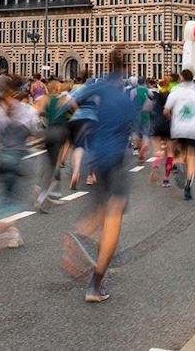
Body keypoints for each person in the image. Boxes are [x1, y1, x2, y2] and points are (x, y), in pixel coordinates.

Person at [60, 49, 139, 303]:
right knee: (114, 217)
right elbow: (138, 133)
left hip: (96, 158)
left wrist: (81, 121)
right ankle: (95, 284)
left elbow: (68, 101)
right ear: (126, 68)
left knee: (103, 211)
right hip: (117, 158)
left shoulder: (97, 87)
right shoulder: (127, 97)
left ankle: (79, 233)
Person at [0, 76, 37, 260]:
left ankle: (14, 234)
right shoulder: (27, 110)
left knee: (5, 198)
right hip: (16, 160)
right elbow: (35, 131)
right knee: (10, 203)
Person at [163, 69, 195, 200]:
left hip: (178, 129)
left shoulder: (175, 92)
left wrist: (173, 118)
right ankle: (188, 185)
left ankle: (178, 163)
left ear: (181, 78)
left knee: (180, 153)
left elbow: (165, 111)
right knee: (192, 158)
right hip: (193, 129)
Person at [33, 78, 73, 211]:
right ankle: (43, 196)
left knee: (47, 161)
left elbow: (36, 112)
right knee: (54, 165)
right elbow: (75, 108)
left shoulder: (44, 99)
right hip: (59, 132)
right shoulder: (64, 99)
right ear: (57, 88)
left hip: (48, 132)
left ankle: (52, 193)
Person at [66, 71, 97, 191]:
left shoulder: (80, 90)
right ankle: (90, 175)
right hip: (92, 120)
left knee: (78, 147)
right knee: (92, 147)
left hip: (76, 119)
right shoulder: (96, 92)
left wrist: (77, 109)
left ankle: (76, 170)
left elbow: (68, 100)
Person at [149, 74, 173, 185]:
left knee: (158, 152)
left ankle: (156, 165)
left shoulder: (155, 97)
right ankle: (166, 178)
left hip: (157, 125)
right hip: (168, 125)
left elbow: (149, 109)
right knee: (170, 153)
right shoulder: (171, 96)